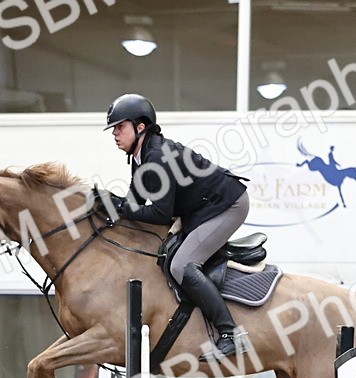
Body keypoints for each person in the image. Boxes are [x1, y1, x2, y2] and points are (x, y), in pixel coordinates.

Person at [103, 93, 249, 361]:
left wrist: (119, 207)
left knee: (181, 265)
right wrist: (110, 206)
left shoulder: (157, 157)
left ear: (140, 127)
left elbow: (159, 214)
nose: (114, 134)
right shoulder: (140, 156)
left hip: (227, 205)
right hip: (202, 208)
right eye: (113, 128)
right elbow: (135, 203)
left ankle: (231, 334)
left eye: (119, 127)